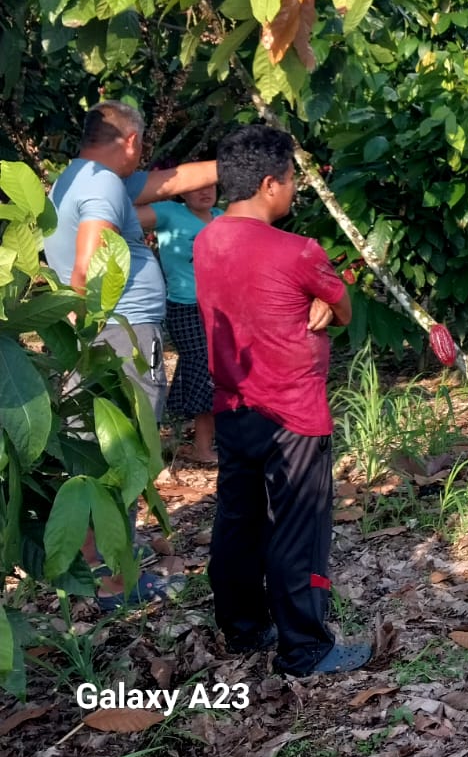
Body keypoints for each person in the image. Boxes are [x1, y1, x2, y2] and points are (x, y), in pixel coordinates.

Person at [192, 124, 369, 675]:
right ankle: (306, 648)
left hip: (234, 407)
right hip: (294, 413)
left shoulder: (206, 241)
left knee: (239, 520)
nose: (294, 189)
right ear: (270, 183)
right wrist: (326, 303)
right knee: (300, 527)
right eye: (291, 179)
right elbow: (344, 309)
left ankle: (243, 626)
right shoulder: (299, 251)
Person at [41, 100, 217, 608]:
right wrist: (96, 332)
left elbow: (172, 180)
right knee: (124, 455)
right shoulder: (102, 185)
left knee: (96, 454)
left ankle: (99, 558)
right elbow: (89, 266)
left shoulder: (78, 177)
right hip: (120, 338)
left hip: (105, 337)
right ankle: (115, 583)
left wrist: (244, 159)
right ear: (132, 141)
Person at [138, 177, 223, 464]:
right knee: (203, 369)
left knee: (211, 371)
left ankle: (186, 437)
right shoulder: (169, 213)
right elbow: (120, 211)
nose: (204, 190)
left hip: (221, 309)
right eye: (196, 186)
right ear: (181, 192)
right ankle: (201, 447)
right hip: (185, 307)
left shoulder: (223, 218)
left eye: (210, 185)